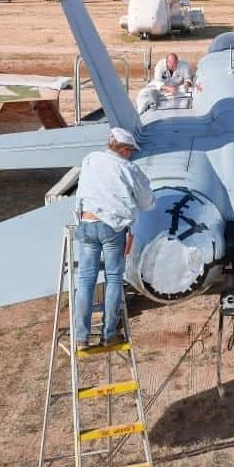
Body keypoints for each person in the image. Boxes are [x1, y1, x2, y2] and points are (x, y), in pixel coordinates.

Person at [74, 127, 156, 349]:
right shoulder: (128, 168)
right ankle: (109, 333)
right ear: (124, 149)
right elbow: (148, 202)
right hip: (112, 229)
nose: (131, 154)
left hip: (86, 224)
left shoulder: (90, 159)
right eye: (130, 150)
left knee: (85, 281)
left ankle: (81, 337)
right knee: (113, 280)